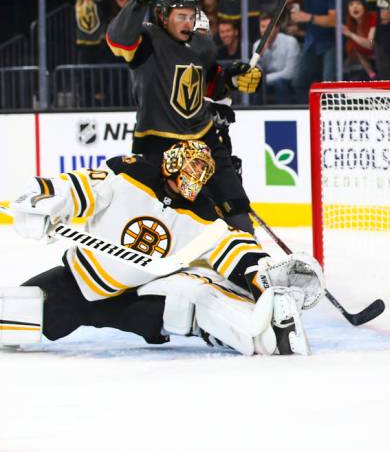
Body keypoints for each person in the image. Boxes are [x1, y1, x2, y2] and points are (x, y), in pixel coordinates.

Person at [1, 141, 323, 355]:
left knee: (197, 292)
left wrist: (261, 272)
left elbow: (233, 247)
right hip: (77, 284)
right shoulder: (131, 172)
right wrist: (46, 202)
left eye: (203, 172)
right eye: (193, 167)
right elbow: (80, 185)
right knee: (19, 309)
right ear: (174, 161)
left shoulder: (203, 213)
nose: (196, 177)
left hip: (138, 297)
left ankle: (267, 335)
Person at [106, 0, 261, 233]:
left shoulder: (201, 45)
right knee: (168, 220)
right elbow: (118, 39)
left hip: (204, 138)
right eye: (181, 16)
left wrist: (232, 78)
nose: (188, 23)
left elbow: (209, 84)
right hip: (159, 144)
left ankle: (247, 259)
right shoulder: (147, 41)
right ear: (163, 16)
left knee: (236, 209)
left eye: (191, 17)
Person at [252, 12, 300, 105]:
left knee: (280, 83)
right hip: (266, 83)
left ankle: (283, 113)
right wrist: (260, 57)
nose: (265, 30)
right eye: (262, 27)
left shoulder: (290, 42)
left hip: (288, 82)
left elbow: (290, 73)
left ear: (277, 29)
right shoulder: (257, 45)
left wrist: (265, 79)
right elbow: (255, 72)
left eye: (268, 27)